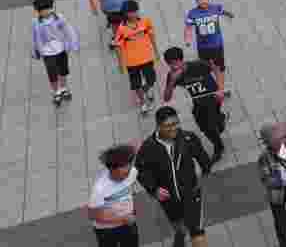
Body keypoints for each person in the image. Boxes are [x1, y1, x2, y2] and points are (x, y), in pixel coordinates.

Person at [135, 106, 212, 247]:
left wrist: (201, 177)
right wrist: (154, 189)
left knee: (197, 233)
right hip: (168, 199)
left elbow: (204, 162)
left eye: (176, 123)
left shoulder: (188, 138)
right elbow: (140, 170)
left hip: (192, 196)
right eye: (168, 125)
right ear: (158, 126)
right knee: (179, 226)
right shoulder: (149, 147)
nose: (174, 128)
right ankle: (180, 235)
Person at [162, 46, 228, 164]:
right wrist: (172, 81)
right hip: (198, 102)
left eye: (175, 63)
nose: (173, 67)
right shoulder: (172, 75)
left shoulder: (198, 65)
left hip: (212, 98)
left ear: (181, 60)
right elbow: (167, 98)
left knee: (210, 126)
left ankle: (219, 147)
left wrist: (220, 89)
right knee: (204, 126)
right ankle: (220, 122)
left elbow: (216, 69)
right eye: (170, 64)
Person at [258, 122, 286, 247]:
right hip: (276, 193)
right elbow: (265, 178)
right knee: (279, 222)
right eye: (272, 141)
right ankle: (283, 242)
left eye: (278, 139)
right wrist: (279, 181)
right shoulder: (264, 157)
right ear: (267, 143)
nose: (276, 143)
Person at [184, 0, 235, 97]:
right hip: (203, 47)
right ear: (196, 1)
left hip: (216, 45)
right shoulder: (192, 13)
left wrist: (229, 14)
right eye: (199, 0)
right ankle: (211, 88)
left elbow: (222, 11)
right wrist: (188, 39)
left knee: (219, 68)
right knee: (205, 68)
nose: (202, 1)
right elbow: (188, 27)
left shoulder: (215, 8)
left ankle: (221, 90)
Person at [31, 0, 80, 106]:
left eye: (48, 8)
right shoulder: (36, 23)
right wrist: (36, 51)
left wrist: (73, 44)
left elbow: (69, 30)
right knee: (52, 74)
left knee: (63, 71)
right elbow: (35, 37)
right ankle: (56, 92)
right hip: (47, 53)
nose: (46, 12)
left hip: (61, 49)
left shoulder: (59, 18)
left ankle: (63, 88)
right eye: (42, 10)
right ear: (38, 11)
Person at [88, 144, 140, 247]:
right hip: (106, 230)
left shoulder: (132, 172)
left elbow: (130, 189)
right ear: (112, 169)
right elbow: (92, 215)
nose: (128, 174)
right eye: (124, 172)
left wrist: (129, 210)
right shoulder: (100, 189)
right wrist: (121, 219)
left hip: (128, 223)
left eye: (129, 167)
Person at [114, 0, 159, 114]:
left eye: (135, 11)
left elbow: (152, 36)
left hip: (147, 58)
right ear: (125, 13)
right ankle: (143, 102)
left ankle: (147, 89)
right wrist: (120, 64)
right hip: (131, 62)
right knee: (136, 84)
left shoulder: (145, 22)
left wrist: (156, 51)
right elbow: (118, 47)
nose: (133, 14)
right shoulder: (121, 29)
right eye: (130, 12)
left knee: (151, 79)